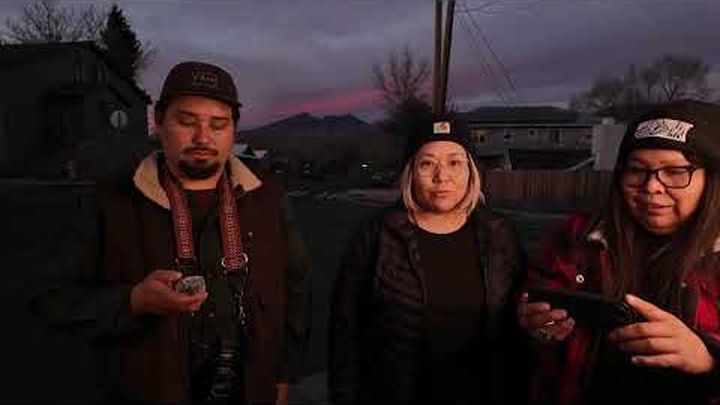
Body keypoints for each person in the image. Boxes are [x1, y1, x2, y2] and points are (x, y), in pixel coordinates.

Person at [30, 61, 312, 404]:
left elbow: (297, 288)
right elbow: (50, 300)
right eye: (187, 121)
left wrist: (282, 376)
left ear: (234, 131)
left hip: (251, 390)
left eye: (218, 124)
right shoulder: (108, 202)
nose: (203, 137)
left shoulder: (269, 198)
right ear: (159, 123)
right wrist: (132, 301)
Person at [519, 100, 720, 404]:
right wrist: (539, 328)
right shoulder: (579, 235)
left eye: (675, 172)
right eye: (637, 171)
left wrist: (708, 360)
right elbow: (535, 326)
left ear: (712, 180)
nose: (652, 187)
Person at [328, 116, 529, 405]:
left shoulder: (500, 235)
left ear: (471, 171)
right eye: (427, 164)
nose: (441, 176)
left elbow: (518, 331)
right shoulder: (375, 235)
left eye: (454, 162)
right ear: (410, 172)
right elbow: (344, 332)